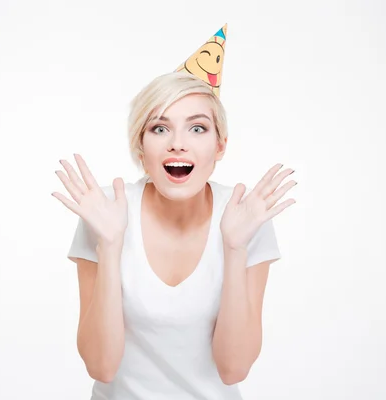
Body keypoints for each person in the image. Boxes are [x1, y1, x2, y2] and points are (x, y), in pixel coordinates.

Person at [51, 23, 297, 400]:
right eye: (160, 128)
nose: (178, 144)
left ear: (220, 146)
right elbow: (101, 366)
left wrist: (235, 249)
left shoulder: (245, 216)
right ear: (140, 147)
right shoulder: (105, 211)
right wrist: (110, 246)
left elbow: (233, 370)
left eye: (197, 129)